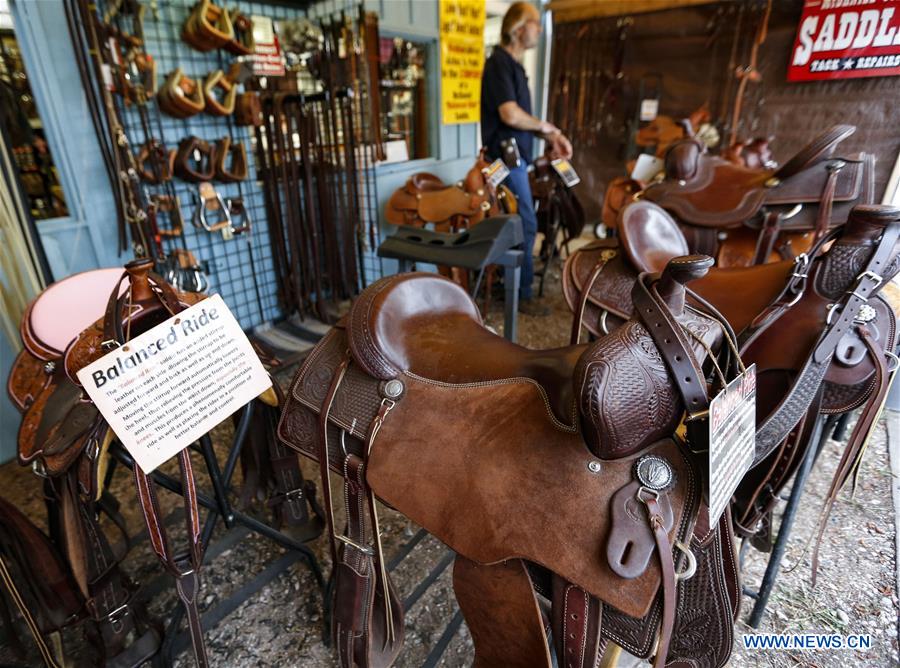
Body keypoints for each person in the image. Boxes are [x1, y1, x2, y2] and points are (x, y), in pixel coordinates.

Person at [481, 1, 572, 316]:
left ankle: (515, 289)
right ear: (518, 28)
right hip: (505, 159)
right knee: (524, 224)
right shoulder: (499, 64)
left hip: (516, 157)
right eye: (535, 23)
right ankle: (518, 297)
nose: (539, 28)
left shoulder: (514, 67)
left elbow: (518, 118)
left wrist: (549, 137)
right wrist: (549, 128)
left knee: (521, 223)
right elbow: (510, 114)